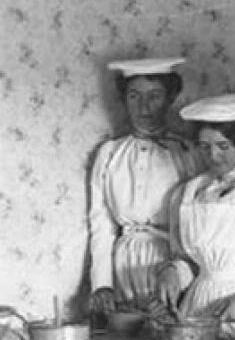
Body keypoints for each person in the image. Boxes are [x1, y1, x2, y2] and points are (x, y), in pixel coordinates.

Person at [156, 93, 235, 340]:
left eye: (223, 146)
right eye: (204, 147)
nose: (213, 156)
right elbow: (189, 260)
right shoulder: (188, 193)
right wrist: (173, 273)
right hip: (196, 308)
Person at [86, 58, 202, 318]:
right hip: (123, 264)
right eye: (134, 96)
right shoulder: (110, 154)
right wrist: (102, 284)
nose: (144, 107)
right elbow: (101, 223)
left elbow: (197, 228)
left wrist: (180, 272)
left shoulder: (188, 153)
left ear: (170, 98)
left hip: (171, 263)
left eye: (155, 96)